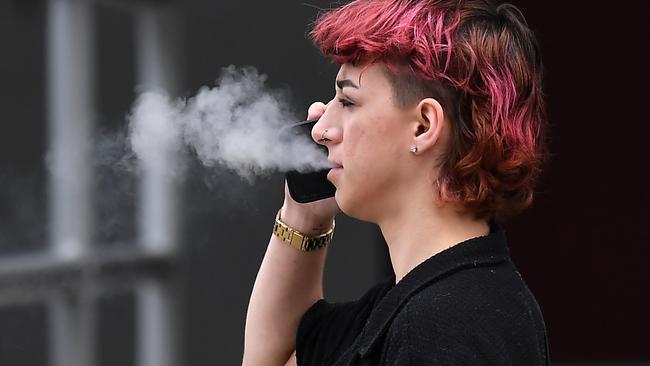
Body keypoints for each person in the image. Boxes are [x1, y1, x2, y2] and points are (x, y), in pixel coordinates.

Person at [243, 0, 549, 364]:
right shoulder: (433, 298)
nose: (322, 129)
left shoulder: (440, 325)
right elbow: (276, 359)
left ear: (423, 126)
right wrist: (303, 217)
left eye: (348, 101)